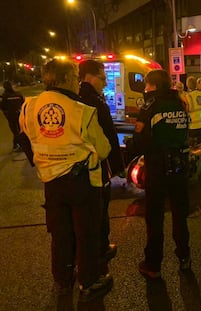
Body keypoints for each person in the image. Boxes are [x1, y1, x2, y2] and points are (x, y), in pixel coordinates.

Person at [19, 59, 113, 307]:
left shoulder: (29, 107)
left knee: (59, 232)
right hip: (83, 182)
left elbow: (26, 138)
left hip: (51, 181)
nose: (76, 82)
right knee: (86, 233)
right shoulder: (80, 110)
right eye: (73, 77)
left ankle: (62, 279)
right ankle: (89, 281)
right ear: (66, 79)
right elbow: (103, 149)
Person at [135, 69, 191, 279]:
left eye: (147, 85)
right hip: (180, 166)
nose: (145, 89)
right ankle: (184, 256)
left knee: (155, 218)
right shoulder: (180, 103)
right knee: (179, 215)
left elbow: (140, 139)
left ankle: (153, 265)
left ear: (154, 86)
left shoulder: (150, 106)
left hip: (157, 168)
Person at [78, 59, 125, 274]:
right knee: (99, 207)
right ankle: (100, 251)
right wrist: (117, 164)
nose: (105, 83)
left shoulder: (82, 97)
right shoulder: (91, 101)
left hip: (77, 168)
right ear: (90, 76)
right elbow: (106, 136)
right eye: (103, 78)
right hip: (97, 164)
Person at [0, 81, 25, 152]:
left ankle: (18, 145)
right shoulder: (18, 94)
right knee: (19, 131)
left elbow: (2, 107)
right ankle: (17, 145)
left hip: (11, 117)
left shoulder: (4, 96)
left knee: (15, 131)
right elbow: (23, 103)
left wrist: (6, 114)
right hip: (19, 115)